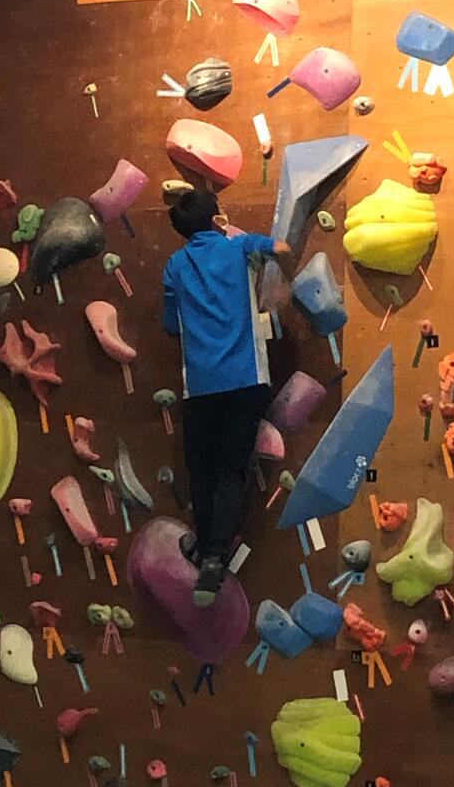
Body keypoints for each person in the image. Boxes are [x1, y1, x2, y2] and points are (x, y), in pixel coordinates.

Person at [162, 188, 290, 607]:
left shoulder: (175, 265)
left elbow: (170, 325)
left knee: (201, 470)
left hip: (200, 385)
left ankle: (206, 551)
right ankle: (214, 556)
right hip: (246, 378)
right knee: (231, 470)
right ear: (216, 216)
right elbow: (280, 246)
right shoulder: (239, 247)